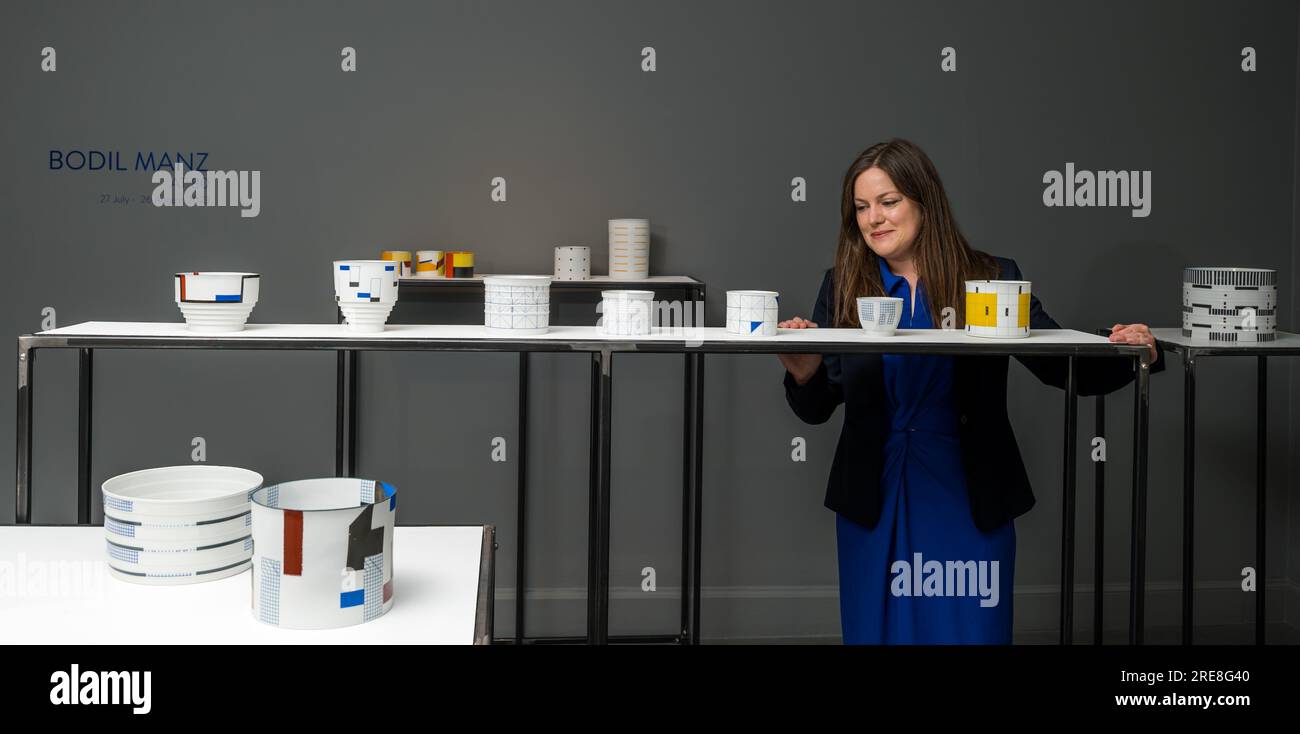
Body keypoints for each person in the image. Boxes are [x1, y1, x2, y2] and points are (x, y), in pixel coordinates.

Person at [778, 139, 1165, 644]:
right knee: (877, 632)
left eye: (888, 201)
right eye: (861, 207)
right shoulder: (844, 283)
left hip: (967, 488)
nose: (873, 218)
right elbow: (817, 409)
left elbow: (1059, 368)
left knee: (970, 629)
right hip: (874, 493)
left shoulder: (990, 277)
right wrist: (803, 372)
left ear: (924, 200)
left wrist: (1135, 354)